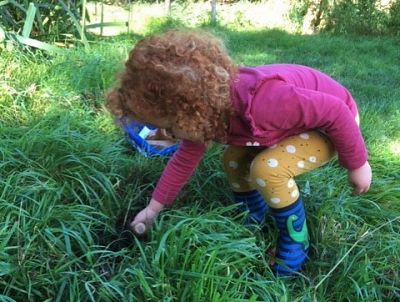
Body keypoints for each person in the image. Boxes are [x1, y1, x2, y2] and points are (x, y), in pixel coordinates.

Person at [106, 29, 372, 275]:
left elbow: (336, 112)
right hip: (294, 123)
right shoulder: (205, 113)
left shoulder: (266, 103)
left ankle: (295, 241)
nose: (168, 136)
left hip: (336, 124)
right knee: (233, 159)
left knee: (268, 169)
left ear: (190, 113)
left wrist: (357, 164)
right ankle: (252, 213)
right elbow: (182, 161)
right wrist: (153, 210)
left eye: (169, 128)